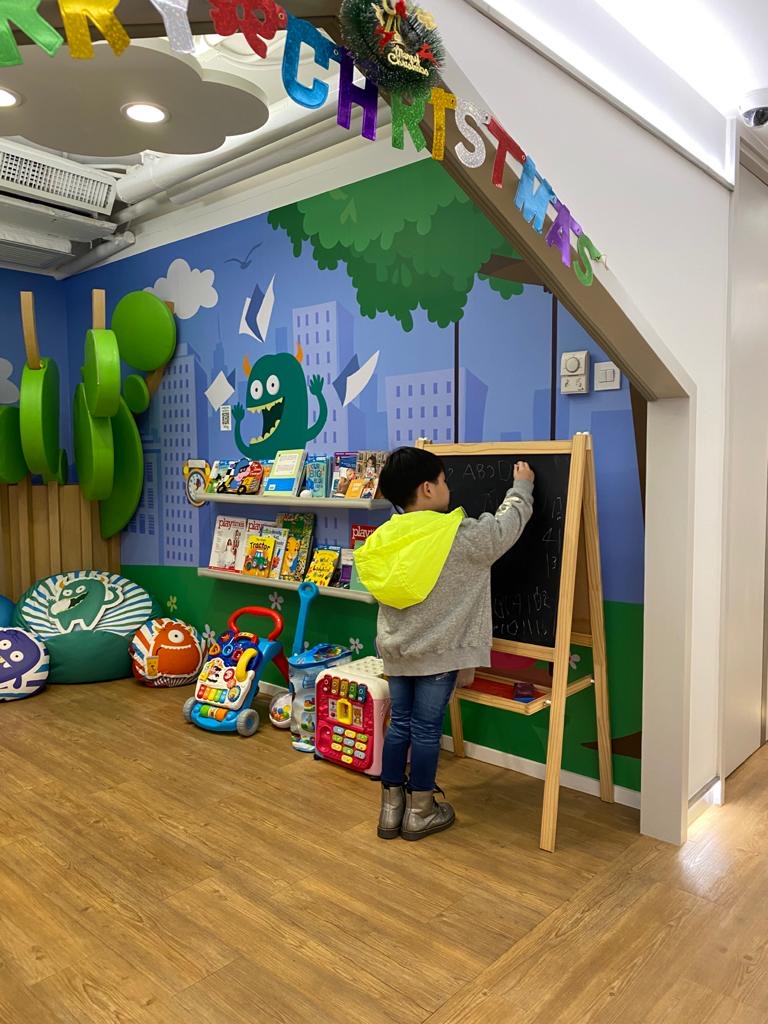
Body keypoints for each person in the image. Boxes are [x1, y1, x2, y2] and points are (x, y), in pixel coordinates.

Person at [354, 447, 534, 842]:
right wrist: (521, 488)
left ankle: (391, 809)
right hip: (438, 656)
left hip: (397, 652)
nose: (448, 487)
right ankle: (420, 812)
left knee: (400, 725)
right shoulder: (458, 535)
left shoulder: (384, 538)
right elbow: (504, 527)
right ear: (427, 488)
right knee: (425, 730)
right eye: (443, 480)